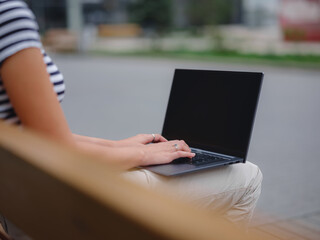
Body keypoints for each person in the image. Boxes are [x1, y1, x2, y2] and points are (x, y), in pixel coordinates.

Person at [0, 0, 262, 238]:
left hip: (15, 193)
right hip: (47, 198)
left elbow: (33, 135)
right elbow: (56, 153)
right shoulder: (8, 14)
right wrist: (145, 156)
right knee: (247, 175)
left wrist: (122, 146)